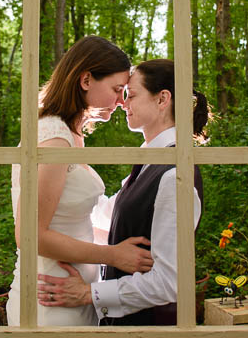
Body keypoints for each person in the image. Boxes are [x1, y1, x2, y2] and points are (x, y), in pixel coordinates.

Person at [36, 58, 210, 325]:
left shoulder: (175, 175)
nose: (122, 104)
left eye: (132, 95)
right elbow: (103, 216)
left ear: (162, 99)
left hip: (150, 327)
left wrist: (88, 294)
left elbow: (169, 282)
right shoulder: (149, 164)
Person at [6, 36, 155, 326]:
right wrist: (112, 255)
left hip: (73, 293)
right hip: (49, 298)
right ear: (86, 79)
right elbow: (29, 234)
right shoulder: (54, 138)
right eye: (116, 89)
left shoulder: (72, 134)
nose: (121, 101)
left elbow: (73, 223)